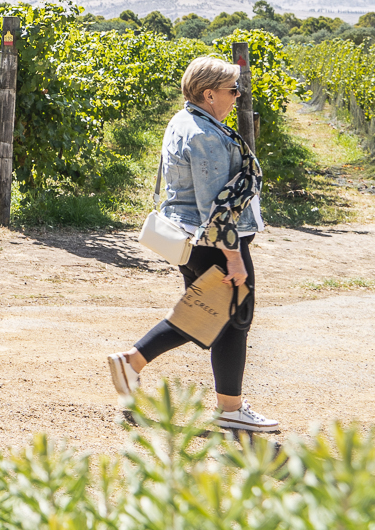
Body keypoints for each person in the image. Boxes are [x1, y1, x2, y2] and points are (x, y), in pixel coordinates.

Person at [106, 56, 278, 434]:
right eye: (233, 90)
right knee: (234, 317)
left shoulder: (185, 121)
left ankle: (132, 362)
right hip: (214, 240)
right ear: (209, 94)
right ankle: (229, 409)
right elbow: (216, 205)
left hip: (192, 238)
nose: (238, 96)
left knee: (205, 315)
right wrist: (234, 258)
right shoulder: (204, 135)